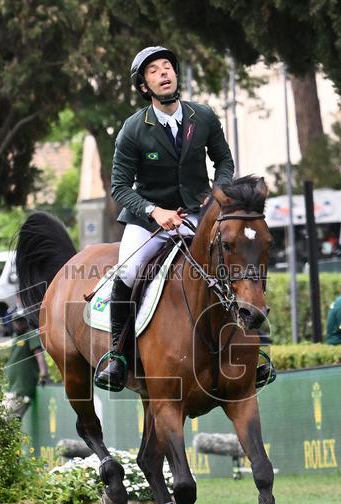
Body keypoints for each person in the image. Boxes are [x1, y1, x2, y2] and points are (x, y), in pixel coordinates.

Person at [97, 45, 267, 391]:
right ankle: (118, 355)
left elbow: (224, 162)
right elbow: (119, 187)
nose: (164, 73)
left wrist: (217, 195)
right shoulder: (132, 129)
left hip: (197, 214)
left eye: (167, 67)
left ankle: (253, 351)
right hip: (148, 221)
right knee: (129, 273)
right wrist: (153, 211)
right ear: (145, 86)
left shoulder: (202, 116)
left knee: (234, 262)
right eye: (154, 71)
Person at [3, 310, 49, 419]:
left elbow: (39, 354)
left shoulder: (30, 334)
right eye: (16, 321)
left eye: (21, 321)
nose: (18, 324)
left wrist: (44, 373)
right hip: (11, 388)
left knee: (7, 420)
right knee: (5, 420)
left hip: (22, 389)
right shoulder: (15, 336)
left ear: (26, 321)